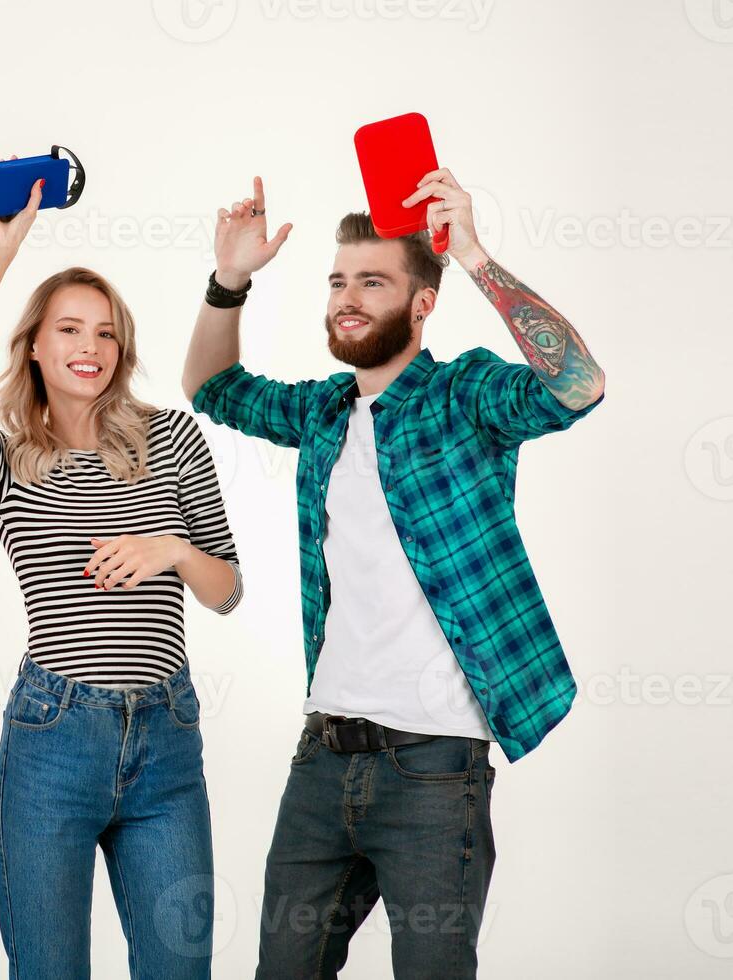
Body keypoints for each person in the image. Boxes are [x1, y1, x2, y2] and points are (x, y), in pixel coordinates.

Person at [182, 173, 606, 979]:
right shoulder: (324, 411)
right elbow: (210, 388)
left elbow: (578, 385)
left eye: (373, 281)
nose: (347, 297)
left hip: (435, 771)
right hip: (321, 760)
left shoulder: (464, 395)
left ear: (422, 302)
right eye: (339, 280)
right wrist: (229, 279)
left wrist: (474, 254)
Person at [0, 177, 243, 979]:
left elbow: (228, 590)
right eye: (68, 328)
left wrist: (170, 548)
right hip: (52, 746)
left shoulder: (171, 438)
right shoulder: (6, 465)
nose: (89, 347)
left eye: (105, 332)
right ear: (34, 343)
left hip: (166, 745)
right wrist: (0, 248)